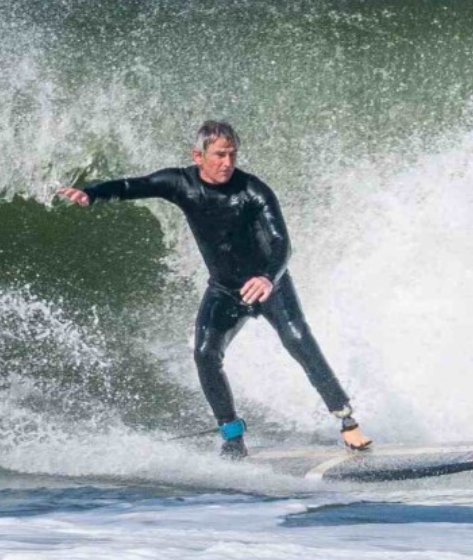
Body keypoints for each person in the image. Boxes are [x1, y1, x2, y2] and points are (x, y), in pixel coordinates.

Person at [57, 121, 371, 459]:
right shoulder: (180, 184)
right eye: (219, 155)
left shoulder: (254, 190)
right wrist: (92, 193)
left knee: (298, 340)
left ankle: (347, 421)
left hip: (269, 286)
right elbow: (135, 185)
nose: (227, 163)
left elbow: (282, 244)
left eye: (232, 155)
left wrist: (267, 277)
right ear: (198, 155)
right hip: (224, 290)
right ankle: (232, 436)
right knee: (206, 353)